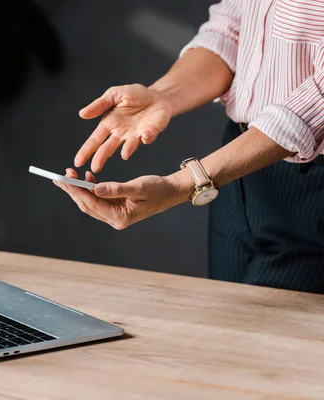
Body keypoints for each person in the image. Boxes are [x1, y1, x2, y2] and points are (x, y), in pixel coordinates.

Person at [54, 0, 324, 294]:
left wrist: (182, 185)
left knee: (257, 333)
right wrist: (162, 96)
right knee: (223, 312)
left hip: (312, 195)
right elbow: (232, 29)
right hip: (237, 168)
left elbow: (314, 106)